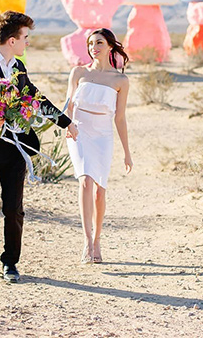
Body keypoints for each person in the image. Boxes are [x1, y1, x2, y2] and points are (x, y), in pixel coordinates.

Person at [0, 10, 78, 283]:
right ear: (12, 40)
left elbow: (35, 98)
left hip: (15, 151)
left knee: (14, 209)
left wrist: (65, 122)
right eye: (25, 38)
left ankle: (10, 262)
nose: (27, 43)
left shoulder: (19, 68)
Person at [66, 28, 133, 264]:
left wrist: (127, 152)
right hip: (80, 131)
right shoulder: (78, 72)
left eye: (100, 42)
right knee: (85, 181)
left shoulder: (120, 80)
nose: (94, 47)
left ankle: (97, 240)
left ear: (111, 46)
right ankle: (86, 241)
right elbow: (68, 106)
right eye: (91, 43)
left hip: (103, 134)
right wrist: (68, 124)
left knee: (99, 192)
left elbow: (120, 118)